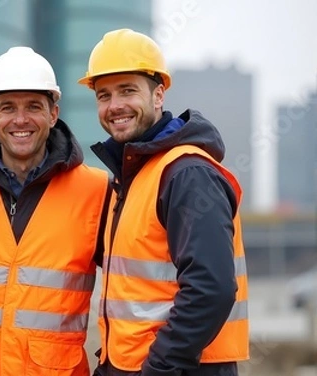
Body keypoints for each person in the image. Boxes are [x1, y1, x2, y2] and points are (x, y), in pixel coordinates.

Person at [78, 28, 250, 376]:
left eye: (128, 91)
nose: (115, 106)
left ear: (158, 95)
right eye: (104, 95)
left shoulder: (186, 173)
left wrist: (159, 367)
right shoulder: (136, 176)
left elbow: (211, 289)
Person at [0, 47, 110, 376]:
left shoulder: (96, 192)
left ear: (54, 113)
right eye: (8, 107)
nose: (20, 120)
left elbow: (132, 289)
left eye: (33, 107)